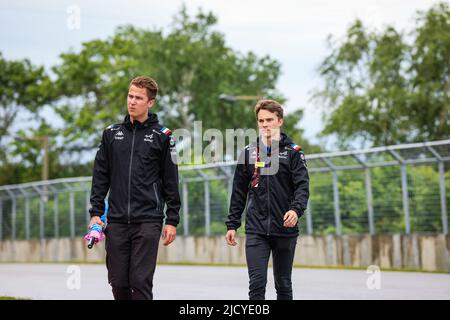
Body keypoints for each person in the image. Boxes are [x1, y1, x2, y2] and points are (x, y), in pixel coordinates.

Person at [88, 76, 180, 300]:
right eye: (130, 96)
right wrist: (96, 213)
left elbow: (171, 181)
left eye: (138, 98)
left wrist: (172, 220)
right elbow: (100, 176)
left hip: (148, 220)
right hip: (117, 221)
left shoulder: (164, 137)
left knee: (140, 282)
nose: (132, 101)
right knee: (118, 283)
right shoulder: (111, 134)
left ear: (150, 102)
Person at [225, 99, 309, 300]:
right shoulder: (248, 153)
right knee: (256, 285)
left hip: (285, 229)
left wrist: (296, 210)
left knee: (283, 284)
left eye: (269, 120)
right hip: (256, 230)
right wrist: (232, 224)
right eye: (261, 121)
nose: (265, 125)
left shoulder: (294, 153)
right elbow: (238, 192)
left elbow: (302, 187)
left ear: (279, 121)